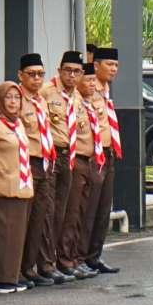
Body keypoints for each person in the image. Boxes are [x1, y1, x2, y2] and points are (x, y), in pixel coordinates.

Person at [0, 81, 34, 292]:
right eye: (8, 98)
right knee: (0, 235)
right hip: (1, 186)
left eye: (17, 98)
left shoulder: (18, 124)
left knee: (16, 235)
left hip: (21, 186)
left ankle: (11, 274)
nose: (13, 102)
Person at [39, 51, 85, 285]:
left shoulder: (77, 97)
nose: (72, 75)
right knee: (48, 211)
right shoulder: (46, 92)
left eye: (77, 71)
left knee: (65, 212)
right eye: (67, 70)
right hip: (52, 155)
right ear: (59, 71)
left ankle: (60, 260)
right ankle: (45, 263)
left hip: (70, 155)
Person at [16, 53, 57, 288]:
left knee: (40, 218)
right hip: (27, 163)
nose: (36, 78)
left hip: (45, 162)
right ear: (20, 75)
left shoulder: (41, 100)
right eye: (31, 74)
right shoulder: (16, 99)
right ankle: (19, 266)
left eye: (40, 74)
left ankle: (31, 266)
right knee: (25, 217)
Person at [58, 67, 103, 279]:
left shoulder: (85, 102)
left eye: (95, 80)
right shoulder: (63, 98)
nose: (93, 84)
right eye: (90, 79)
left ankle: (76, 257)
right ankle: (65, 259)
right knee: (71, 213)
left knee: (82, 214)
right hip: (72, 160)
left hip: (89, 160)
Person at [83, 47, 122, 274]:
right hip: (93, 155)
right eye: (109, 64)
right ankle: (80, 256)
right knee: (89, 209)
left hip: (108, 153)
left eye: (116, 65)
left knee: (103, 208)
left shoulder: (105, 89)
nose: (114, 69)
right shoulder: (88, 89)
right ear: (96, 65)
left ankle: (94, 255)